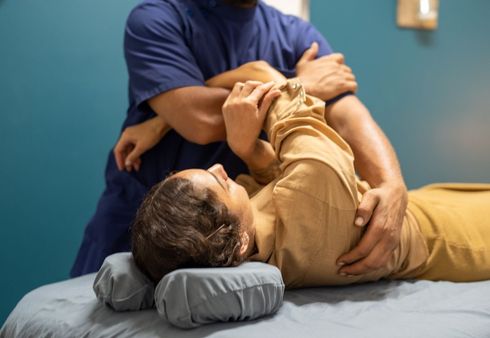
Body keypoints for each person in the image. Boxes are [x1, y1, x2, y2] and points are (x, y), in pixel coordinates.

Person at [71, 0, 408, 278]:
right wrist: (298, 84)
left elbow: (349, 116)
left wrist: (392, 186)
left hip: (232, 239)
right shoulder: (158, 18)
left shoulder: (294, 34)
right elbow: (198, 119)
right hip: (143, 226)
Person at [131, 62, 490, 287]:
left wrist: (247, 149)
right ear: (238, 242)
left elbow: (279, 187)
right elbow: (261, 75)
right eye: (220, 182)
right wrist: (164, 120)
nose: (220, 167)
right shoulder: (312, 183)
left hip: (427, 207)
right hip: (458, 234)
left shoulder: (262, 251)